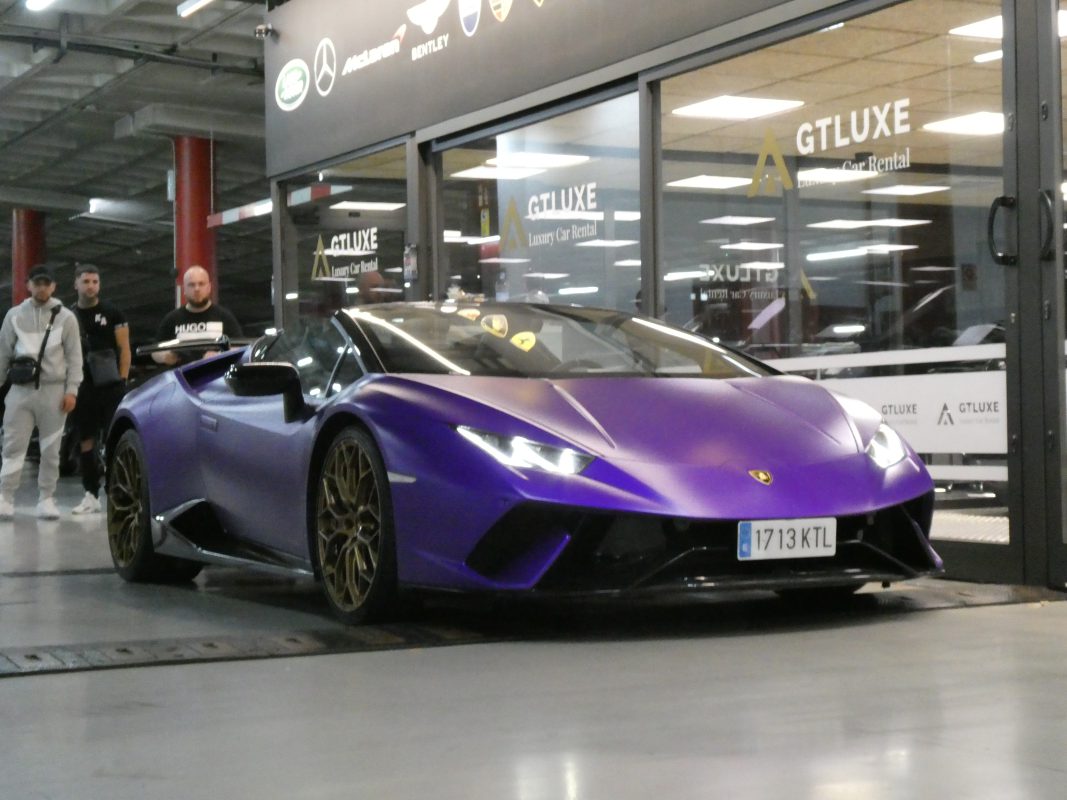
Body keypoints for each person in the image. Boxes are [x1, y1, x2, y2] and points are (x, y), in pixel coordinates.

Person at [0, 264, 83, 520]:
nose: (42, 287)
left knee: (51, 449)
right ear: (29, 285)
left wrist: (72, 391)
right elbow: (2, 353)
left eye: (47, 283)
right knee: (13, 446)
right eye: (37, 282)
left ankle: (46, 499)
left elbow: (74, 357)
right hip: (19, 391)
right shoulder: (14, 315)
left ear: (54, 286)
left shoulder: (66, 317)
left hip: (54, 392)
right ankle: (5, 497)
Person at [70, 264, 131, 515]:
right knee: (86, 440)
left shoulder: (113, 312)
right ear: (76, 284)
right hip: (82, 386)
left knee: (114, 439)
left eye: (95, 281)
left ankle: (118, 493)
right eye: (85, 281)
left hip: (111, 386)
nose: (91, 286)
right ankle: (90, 493)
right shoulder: (68, 315)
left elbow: (125, 348)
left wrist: (123, 380)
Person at [152, 265, 243, 365]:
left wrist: (218, 355)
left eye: (201, 284)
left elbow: (240, 348)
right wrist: (165, 356)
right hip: (182, 377)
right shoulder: (172, 319)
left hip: (216, 376)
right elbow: (155, 350)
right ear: (184, 289)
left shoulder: (224, 317)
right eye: (191, 285)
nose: (197, 289)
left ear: (209, 287)